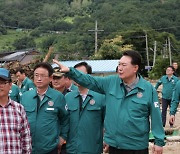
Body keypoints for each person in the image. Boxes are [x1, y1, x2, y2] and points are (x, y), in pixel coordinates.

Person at [53, 50, 165, 154]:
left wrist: (158, 141)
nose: (120, 68)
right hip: (115, 145)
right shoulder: (111, 82)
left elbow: (156, 116)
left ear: (135, 68)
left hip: (137, 146)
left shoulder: (148, 89)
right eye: (119, 64)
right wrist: (71, 71)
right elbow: (91, 81)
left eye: (124, 65)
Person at [21, 62, 69, 154]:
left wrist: (62, 137)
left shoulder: (58, 97)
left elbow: (65, 119)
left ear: (50, 78)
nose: (39, 79)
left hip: (49, 148)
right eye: (36, 75)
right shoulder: (25, 96)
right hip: (28, 147)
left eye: (43, 76)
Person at [65, 62, 105, 154]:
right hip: (72, 149)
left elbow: (107, 122)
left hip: (92, 148)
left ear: (89, 76)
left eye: (81, 74)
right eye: (75, 74)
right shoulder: (68, 97)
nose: (78, 77)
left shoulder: (101, 97)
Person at [0, 68, 32, 153]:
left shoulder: (19, 108)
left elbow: (26, 138)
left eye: (2, 83)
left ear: (10, 85)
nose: (0, 86)